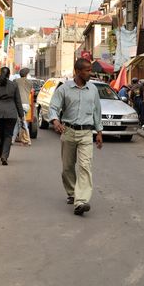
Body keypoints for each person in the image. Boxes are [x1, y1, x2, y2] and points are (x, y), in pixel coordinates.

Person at [48, 58, 103, 216]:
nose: (90, 73)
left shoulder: (93, 90)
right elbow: (53, 107)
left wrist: (99, 132)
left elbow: (97, 112)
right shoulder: (64, 89)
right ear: (78, 71)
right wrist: (55, 121)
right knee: (67, 167)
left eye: (90, 70)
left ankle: (81, 201)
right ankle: (72, 193)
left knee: (85, 167)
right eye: (87, 70)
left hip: (86, 133)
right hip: (68, 132)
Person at [0, 67, 23, 165]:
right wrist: (21, 115)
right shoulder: (14, 85)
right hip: (11, 113)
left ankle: (2, 155)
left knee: (2, 135)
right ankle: (4, 156)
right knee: (8, 135)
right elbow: (18, 101)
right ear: (9, 75)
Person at [14, 68, 33, 143]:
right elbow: (31, 91)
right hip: (26, 105)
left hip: (18, 105)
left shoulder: (15, 81)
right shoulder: (30, 82)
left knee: (21, 122)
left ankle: (28, 140)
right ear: (26, 74)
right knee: (21, 122)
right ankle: (13, 139)